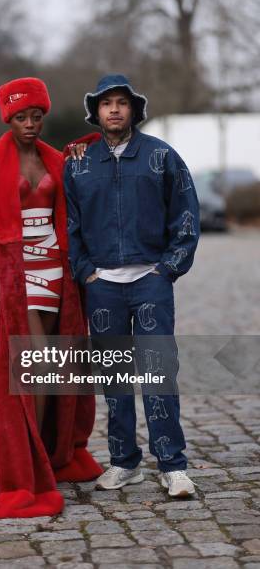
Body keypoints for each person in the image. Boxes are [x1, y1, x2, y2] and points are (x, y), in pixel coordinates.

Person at [0, 77, 102, 519]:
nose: (30, 124)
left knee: (50, 367)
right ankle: (23, 464)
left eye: (37, 116)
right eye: (21, 117)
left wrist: (85, 158)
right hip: (12, 280)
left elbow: (81, 209)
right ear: (7, 117)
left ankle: (45, 455)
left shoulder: (57, 160)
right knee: (30, 367)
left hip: (54, 274)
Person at [63, 74, 200, 497]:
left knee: (160, 374)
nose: (115, 110)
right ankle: (124, 462)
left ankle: (172, 465)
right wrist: (85, 270)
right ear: (97, 113)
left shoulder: (161, 157)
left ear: (134, 109)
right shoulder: (79, 163)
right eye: (107, 104)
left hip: (150, 282)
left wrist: (168, 268)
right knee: (115, 377)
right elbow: (68, 224)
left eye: (122, 102)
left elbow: (186, 215)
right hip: (102, 285)